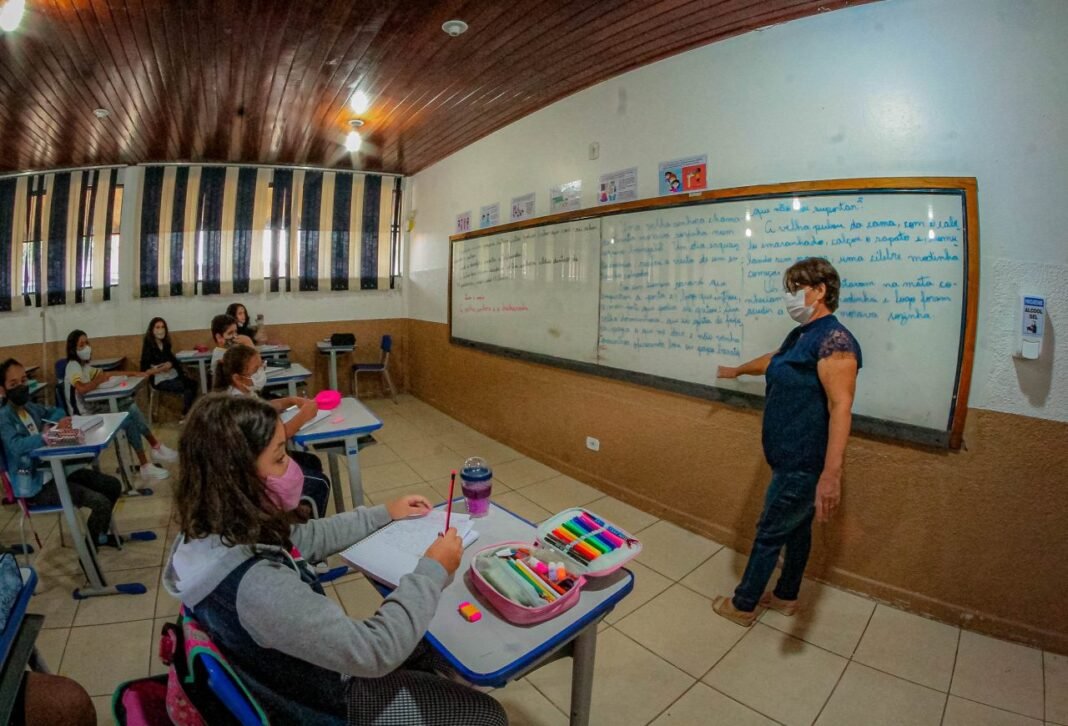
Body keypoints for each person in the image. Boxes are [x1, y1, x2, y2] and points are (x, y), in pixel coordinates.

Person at [163, 394, 507, 725]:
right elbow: (374, 651)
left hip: (296, 674)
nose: (292, 468)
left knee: (426, 638)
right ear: (236, 477)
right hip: (325, 702)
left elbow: (306, 537)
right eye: (280, 458)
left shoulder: (211, 531)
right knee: (487, 714)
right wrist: (432, 570)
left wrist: (383, 513)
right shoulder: (257, 586)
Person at [712, 257, 862, 626]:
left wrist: (831, 474)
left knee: (769, 531)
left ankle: (743, 604)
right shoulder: (803, 335)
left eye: (796, 288)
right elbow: (774, 360)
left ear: (820, 290)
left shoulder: (835, 340)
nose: (789, 297)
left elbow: (841, 407)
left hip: (804, 462)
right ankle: (786, 596)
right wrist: (736, 370)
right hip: (789, 459)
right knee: (796, 531)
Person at [0, 359, 122, 546]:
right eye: (13, 384)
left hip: (55, 470)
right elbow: (16, 446)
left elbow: (55, 411)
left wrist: (57, 422)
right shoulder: (4, 418)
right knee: (100, 502)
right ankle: (88, 557)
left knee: (112, 485)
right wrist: (45, 436)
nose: (21, 387)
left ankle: (98, 536)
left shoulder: (30, 408)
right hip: (34, 485)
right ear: (2, 390)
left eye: (24, 381)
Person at [215, 344, 329, 519]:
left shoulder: (243, 392)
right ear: (238, 378)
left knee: (311, 461)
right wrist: (303, 416)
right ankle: (304, 534)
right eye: (256, 369)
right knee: (321, 483)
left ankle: (295, 513)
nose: (261, 371)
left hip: (257, 463)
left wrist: (290, 400)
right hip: (250, 476)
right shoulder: (237, 404)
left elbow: (265, 407)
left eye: (262, 366)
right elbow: (276, 437)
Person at [62, 330, 174, 482]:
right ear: (73, 349)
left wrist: (135, 374)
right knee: (127, 417)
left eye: (87, 343)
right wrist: (98, 381)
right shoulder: (73, 366)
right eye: (81, 345)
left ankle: (151, 454)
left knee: (129, 405)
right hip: (84, 416)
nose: (86, 347)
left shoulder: (85, 367)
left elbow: (108, 374)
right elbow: (81, 388)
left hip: (94, 409)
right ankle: (150, 456)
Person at [140, 317, 199, 418]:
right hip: (159, 380)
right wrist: (161, 369)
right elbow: (144, 371)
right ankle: (186, 415)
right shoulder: (148, 347)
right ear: (152, 330)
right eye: (157, 327)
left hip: (171, 375)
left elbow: (173, 361)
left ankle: (188, 413)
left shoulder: (165, 345)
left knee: (193, 384)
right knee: (187, 388)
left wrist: (170, 364)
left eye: (163, 327)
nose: (160, 330)